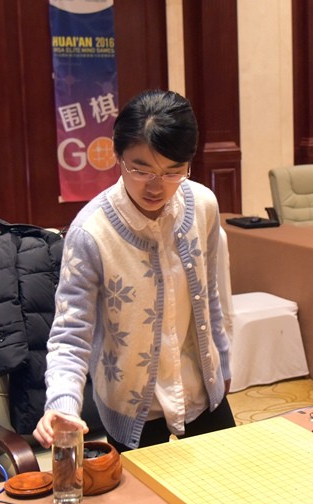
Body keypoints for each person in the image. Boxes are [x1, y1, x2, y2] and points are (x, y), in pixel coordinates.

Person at [33, 89, 234, 453]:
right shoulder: (91, 232)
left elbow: (210, 297)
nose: (156, 186)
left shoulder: (203, 205)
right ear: (117, 155)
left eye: (174, 171)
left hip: (202, 390)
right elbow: (71, 333)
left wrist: (223, 366)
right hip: (132, 405)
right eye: (140, 170)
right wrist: (62, 403)